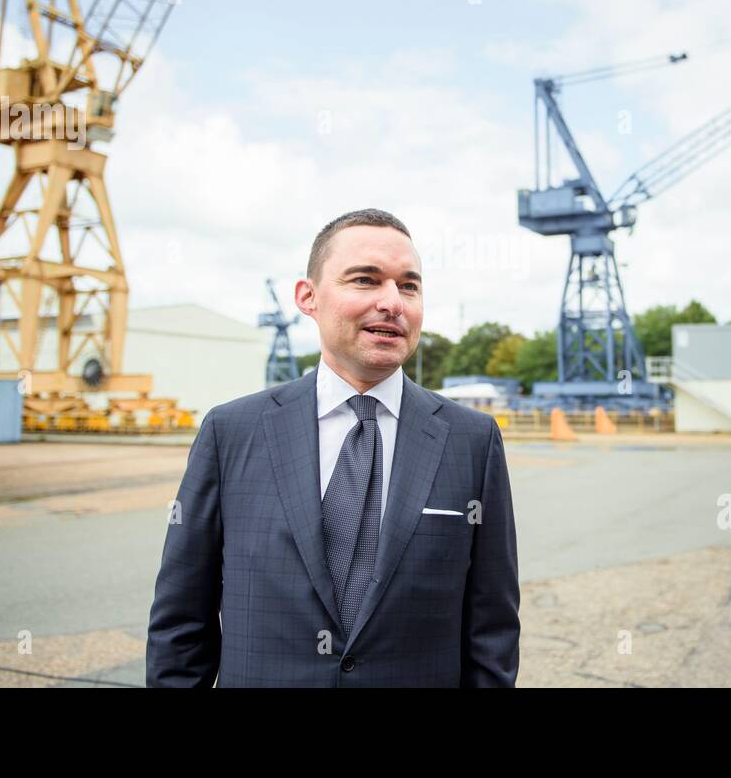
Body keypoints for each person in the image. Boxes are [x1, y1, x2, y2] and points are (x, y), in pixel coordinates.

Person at [146, 208, 520, 686]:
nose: (393, 303)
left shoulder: (473, 440)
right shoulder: (231, 431)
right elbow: (181, 620)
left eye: (409, 286)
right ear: (309, 297)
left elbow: (493, 629)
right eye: (366, 280)